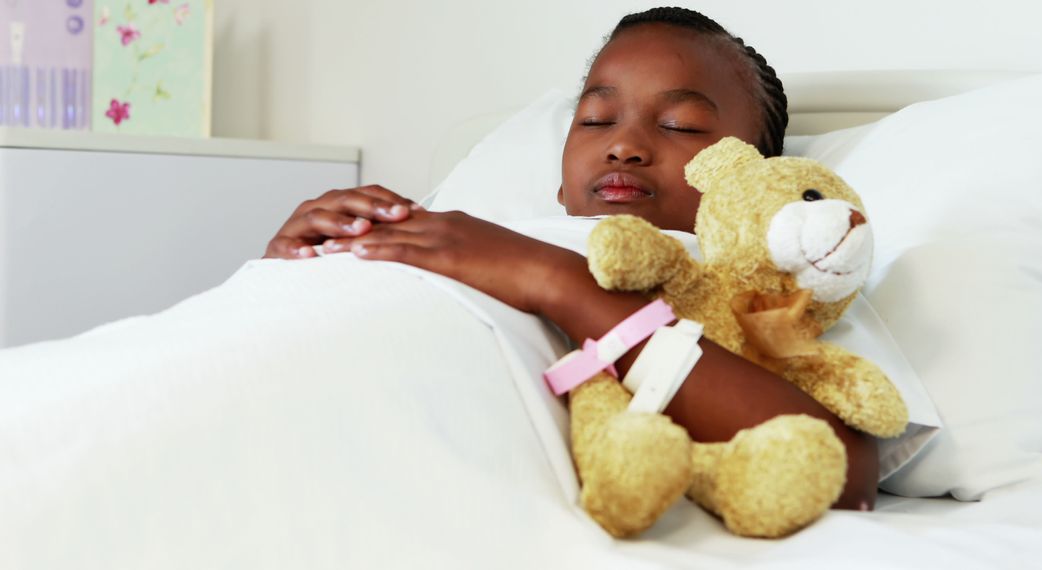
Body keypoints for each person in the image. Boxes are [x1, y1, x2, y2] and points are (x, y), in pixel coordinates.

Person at [264, 7, 878, 510]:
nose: (624, 145)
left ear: (753, 180)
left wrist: (559, 283)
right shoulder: (480, 228)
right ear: (558, 184)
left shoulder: (767, 282)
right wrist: (291, 270)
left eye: (682, 125)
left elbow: (845, 468)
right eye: (595, 118)